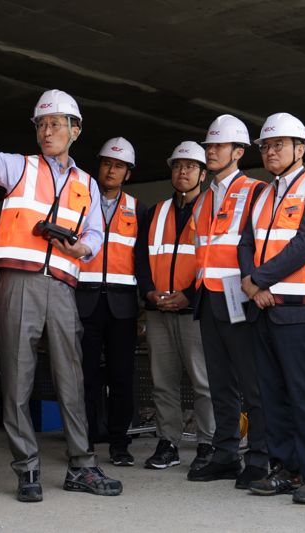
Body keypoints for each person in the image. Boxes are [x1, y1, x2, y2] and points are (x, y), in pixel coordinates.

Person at [0, 89, 122, 502]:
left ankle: (81, 467)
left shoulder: (87, 183)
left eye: (55, 124)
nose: (47, 131)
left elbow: (96, 233)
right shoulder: (22, 168)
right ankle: (27, 469)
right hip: (20, 282)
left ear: (75, 130)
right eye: (41, 125)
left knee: (72, 376)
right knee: (18, 377)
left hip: (64, 285)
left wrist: (82, 248)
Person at [239, 112, 305, 505]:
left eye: (279, 144)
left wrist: (259, 280)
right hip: (263, 309)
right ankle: (285, 469)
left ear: (301, 148)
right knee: (272, 393)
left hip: (298, 311)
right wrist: (251, 281)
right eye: (266, 145)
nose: (271, 151)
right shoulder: (263, 194)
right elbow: (246, 243)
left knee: (303, 394)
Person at [189, 115, 268, 488]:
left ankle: (259, 457)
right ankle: (224, 454)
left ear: (238, 152)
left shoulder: (256, 191)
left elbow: (258, 247)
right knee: (220, 383)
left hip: (240, 299)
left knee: (252, 383)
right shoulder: (205, 198)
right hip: (209, 298)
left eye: (219, 146)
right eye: (209, 146)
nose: (211, 152)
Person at [137, 141, 216, 475]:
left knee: (203, 383)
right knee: (162, 382)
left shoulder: (213, 211)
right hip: (158, 311)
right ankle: (167, 442)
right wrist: (149, 293)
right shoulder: (156, 212)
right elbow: (140, 257)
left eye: (189, 166)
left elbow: (213, 260)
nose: (182, 172)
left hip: (192, 312)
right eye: (177, 166)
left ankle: (207, 443)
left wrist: (190, 296)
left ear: (202, 173)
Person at [76, 137, 147, 467]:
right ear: (98, 166)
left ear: (128, 174)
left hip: (122, 303)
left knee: (122, 376)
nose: (111, 170)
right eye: (107, 163)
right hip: (84, 298)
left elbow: (144, 259)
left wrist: (147, 297)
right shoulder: (79, 201)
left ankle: (120, 443)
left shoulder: (139, 210)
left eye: (119, 166)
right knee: (85, 375)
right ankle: (85, 441)